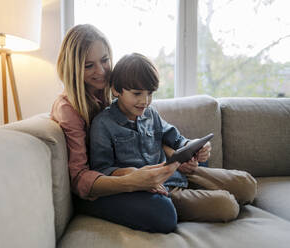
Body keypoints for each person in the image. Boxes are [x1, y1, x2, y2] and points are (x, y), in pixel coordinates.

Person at [89, 53, 257, 231]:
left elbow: (177, 140)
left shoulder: (151, 114)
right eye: (137, 93)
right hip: (161, 190)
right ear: (116, 90)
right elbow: (102, 170)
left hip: (181, 173)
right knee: (227, 206)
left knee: (247, 185)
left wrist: (195, 147)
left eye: (150, 93)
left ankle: (213, 191)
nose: (145, 101)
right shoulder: (103, 124)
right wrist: (131, 174)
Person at [51, 25, 181, 233]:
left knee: (195, 158)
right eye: (89, 65)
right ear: (73, 68)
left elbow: (151, 130)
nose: (101, 71)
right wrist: (131, 181)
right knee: (163, 213)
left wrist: (169, 153)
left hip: (127, 174)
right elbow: (79, 179)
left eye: (104, 60)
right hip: (96, 191)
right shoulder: (69, 109)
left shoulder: (110, 93)